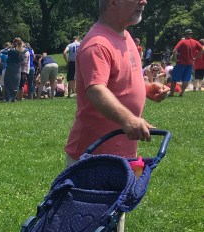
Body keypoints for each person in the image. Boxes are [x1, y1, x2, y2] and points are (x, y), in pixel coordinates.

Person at [64, 0, 169, 165]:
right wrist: (128, 119)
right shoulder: (97, 44)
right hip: (93, 156)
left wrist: (147, 88)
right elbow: (96, 90)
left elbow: (121, 79)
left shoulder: (125, 36)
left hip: (121, 152)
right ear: (113, 2)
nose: (144, 1)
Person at [170, 29, 203, 97]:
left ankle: (171, 93)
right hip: (190, 64)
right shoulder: (195, 42)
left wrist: (175, 59)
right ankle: (181, 93)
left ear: (185, 35)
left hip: (181, 63)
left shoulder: (182, 42)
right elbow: (202, 49)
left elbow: (174, 50)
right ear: (191, 35)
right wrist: (196, 58)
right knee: (186, 79)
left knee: (173, 79)